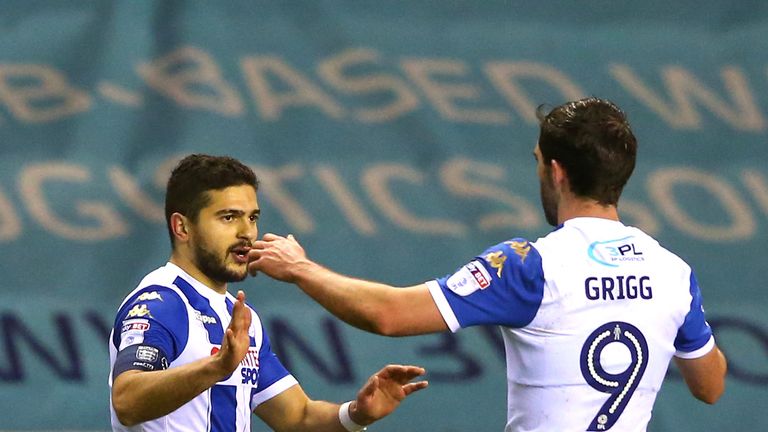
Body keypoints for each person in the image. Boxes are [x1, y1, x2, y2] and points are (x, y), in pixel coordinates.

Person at [247, 97, 728, 432]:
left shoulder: (529, 265)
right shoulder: (673, 273)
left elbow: (388, 315)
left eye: (539, 161)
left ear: (556, 171)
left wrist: (300, 268)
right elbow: (710, 387)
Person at [108, 154, 428, 432]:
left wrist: (357, 414)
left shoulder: (242, 319)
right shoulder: (160, 302)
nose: (246, 232)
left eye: (252, 217)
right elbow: (127, 400)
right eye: (228, 217)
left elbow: (298, 418)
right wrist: (216, 367)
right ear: (182, 228)